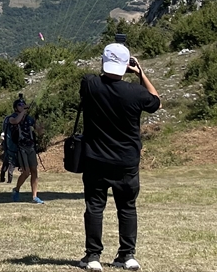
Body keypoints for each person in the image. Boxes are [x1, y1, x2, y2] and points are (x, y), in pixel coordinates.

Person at [77, 41, 160, 272]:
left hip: (96, 159)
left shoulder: (90, 84)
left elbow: (94, 77)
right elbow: (156, 101)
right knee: (127, 207)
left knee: (94, 207)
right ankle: (127, 255)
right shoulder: (136, 93)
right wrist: (141, 73)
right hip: (126, 161)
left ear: (104, 63)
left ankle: (93, 256)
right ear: (126, 66)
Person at [6, 96, 45, 204]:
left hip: (31, 147)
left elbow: (39, 132)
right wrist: (24, 111)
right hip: (21, 148)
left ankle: (34, 196)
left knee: (34, 172)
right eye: (20, 105)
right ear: (15, 108)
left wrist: (41, 127)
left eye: (24, 104)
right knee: (26, 172)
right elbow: (17, 121)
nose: (22, 106)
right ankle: (16, 189)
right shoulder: (12, 118)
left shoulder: (29, 118)